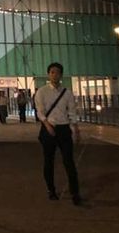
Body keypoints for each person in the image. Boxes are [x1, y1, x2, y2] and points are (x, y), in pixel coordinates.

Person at [35, 62, 82, 206]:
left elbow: (72, 111)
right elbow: (40, 112)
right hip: (48, 129)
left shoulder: (67, 93)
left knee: (69, 161)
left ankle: (75, 192)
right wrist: (47, 125)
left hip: (63, 129)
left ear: (61, 75)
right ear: (48, 74)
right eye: (52, 72)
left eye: (57, 72)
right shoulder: (42, 92)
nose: (55, 75)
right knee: (49, 161)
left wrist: (76, 129)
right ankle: (51, 190)